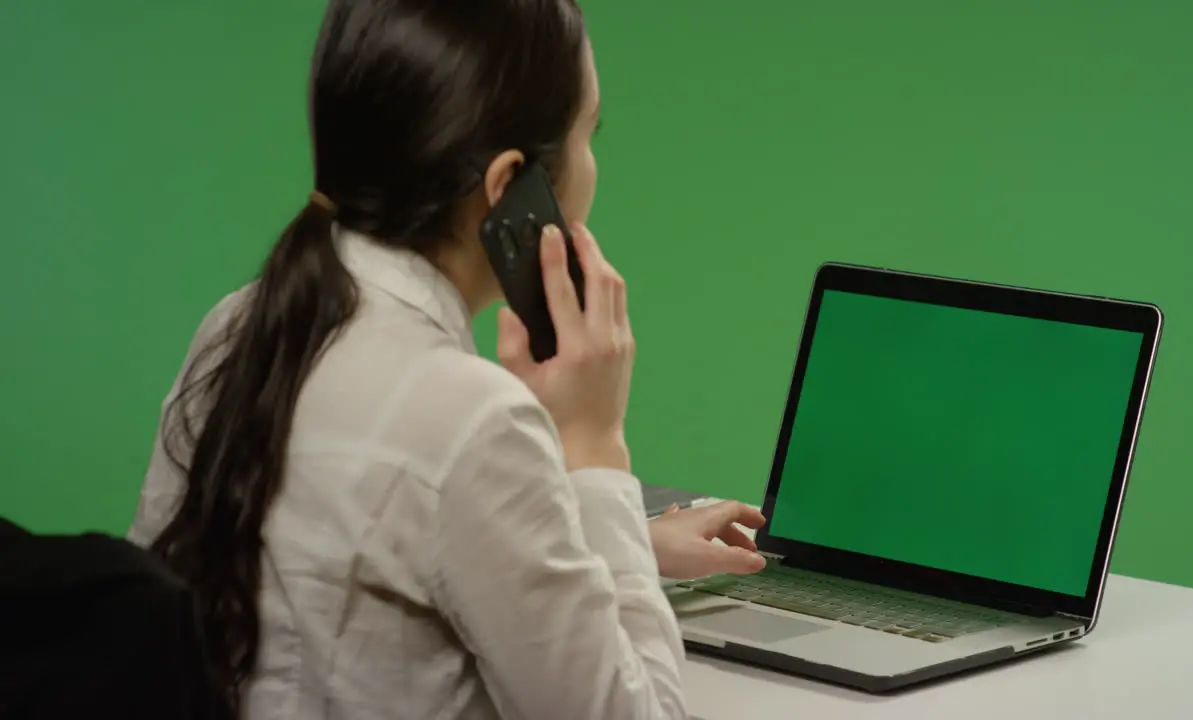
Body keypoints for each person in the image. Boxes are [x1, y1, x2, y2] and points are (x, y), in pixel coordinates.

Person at [126, 1, 766, 718]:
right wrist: (594, 449)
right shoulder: (472, 418)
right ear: (511, 188)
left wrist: (616, 546)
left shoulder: (237, 325)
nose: (592, 163)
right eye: (590, 134)